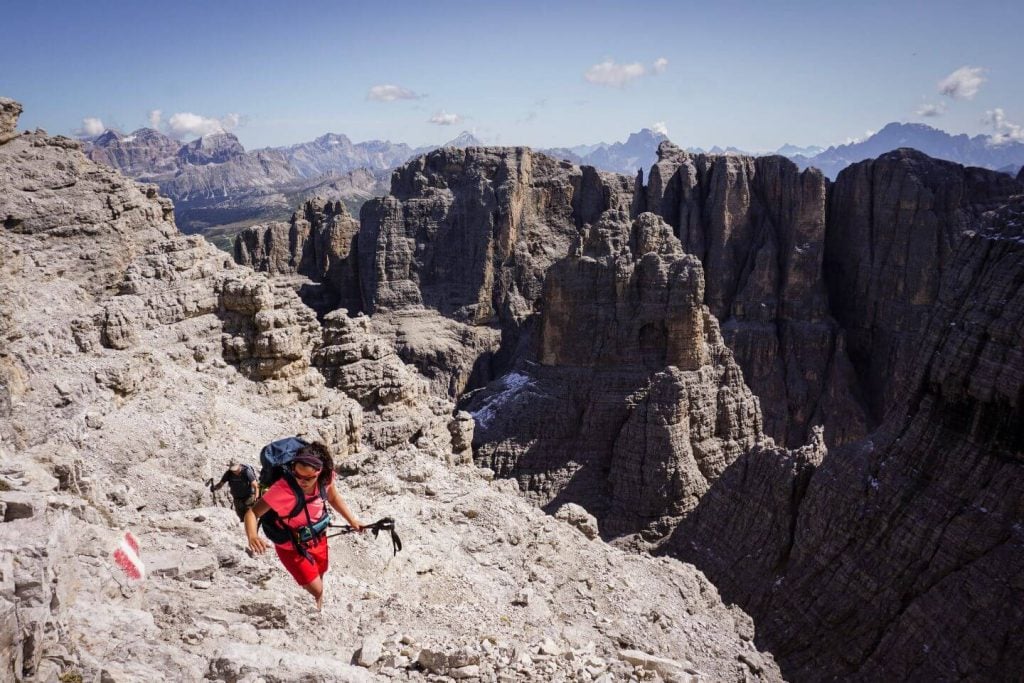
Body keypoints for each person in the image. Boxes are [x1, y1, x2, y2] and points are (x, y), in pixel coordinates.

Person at [244, 442, 363, 610]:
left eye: (308, 478)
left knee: (321, 574)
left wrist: (352, 520)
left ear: (320, 472)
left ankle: (318, 610)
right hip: (291, 546)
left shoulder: (326, 479)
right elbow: (252, 513)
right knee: (317, 588)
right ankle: (314, 604)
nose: (302, 481)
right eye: (297, 475)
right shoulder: (283, 489)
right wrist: (252, 536)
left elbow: (333, 497)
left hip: (318, 538)